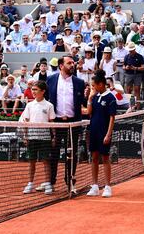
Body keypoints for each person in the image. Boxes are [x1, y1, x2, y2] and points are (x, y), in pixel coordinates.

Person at [46, 55, 85, 192]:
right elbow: (46, 101)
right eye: (69, 63)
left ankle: (70, 181)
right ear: (61, 66)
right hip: (56, 124)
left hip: (73, 124)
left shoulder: (80, 82)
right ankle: (51, 182)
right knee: (54, 153)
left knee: (72, 154)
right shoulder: (50, 80)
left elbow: (83, 103)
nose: (72, 65)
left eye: (73, 63)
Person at [21, 80, 56, 195]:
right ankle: (30, 184)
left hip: (45, 138)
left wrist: (54, 137)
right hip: (32, 137)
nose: (33, 91)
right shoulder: (30, 105)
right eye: (33, 89)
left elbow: (52, 123)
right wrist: (25, 136)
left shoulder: (49, 105)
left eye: (36, 89)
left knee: (46, 161)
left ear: (43, 91)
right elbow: (26, 121)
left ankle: (47, 184)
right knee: (31, 161)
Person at [86, 69, 116, 197]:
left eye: (94, 86)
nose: (93, 88)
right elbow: (89, 112)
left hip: (104, 132)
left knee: (105, 158)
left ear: (101, 84)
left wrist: (108, 134)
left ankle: (108, 186)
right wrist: (90, 98)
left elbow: (112, 117)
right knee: (94, 158)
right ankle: (94, 186)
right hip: (93, 131)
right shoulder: (95, 96)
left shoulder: (110, 98)